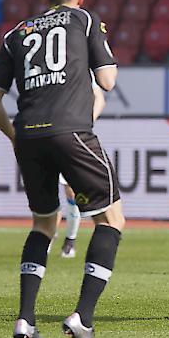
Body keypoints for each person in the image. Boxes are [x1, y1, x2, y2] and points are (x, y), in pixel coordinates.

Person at [0, 0, 124, 338]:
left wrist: (15, 136)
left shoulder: (15, 33)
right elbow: (108, 80)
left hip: (29, 135)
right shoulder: (84, 19)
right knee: (111, 219)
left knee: (44, 223)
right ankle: (83, 317)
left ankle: (26, 319)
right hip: (72, 131)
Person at [58, 83, 106, 259]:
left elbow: (100, 98)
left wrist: (86, 122)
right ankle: (46, 236)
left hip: (71, 138)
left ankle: (70, 240)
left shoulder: (82, 67)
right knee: (46, 193)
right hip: (45, 135)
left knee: (71, 192)